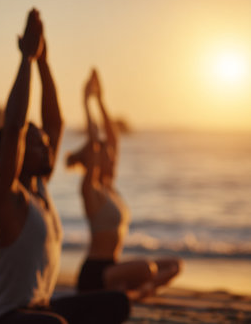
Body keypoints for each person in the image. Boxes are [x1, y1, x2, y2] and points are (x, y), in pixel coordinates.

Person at [0, 9, 130, 324]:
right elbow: (16, 126)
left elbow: (55, 123)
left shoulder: (41, 188)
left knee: (117, 303)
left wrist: (45, 61)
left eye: (44, 141)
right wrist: (26, 61)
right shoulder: (8, 195)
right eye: (36, 142)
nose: (47, 144)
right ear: (17, 153)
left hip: (41, 307)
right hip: (4, 317)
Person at [67, 69, 182, 299]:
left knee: (173, 265)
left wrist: (100, 99)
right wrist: (85, 103)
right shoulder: (90, 190)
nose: (112, 155)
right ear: (95, 159)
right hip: (96, 273)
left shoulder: (110, 188)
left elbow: (113, 137)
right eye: (106, 154)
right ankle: (128, 293)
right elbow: (96, 141)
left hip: (114, 267)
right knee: (146, 269)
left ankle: (130, 293)